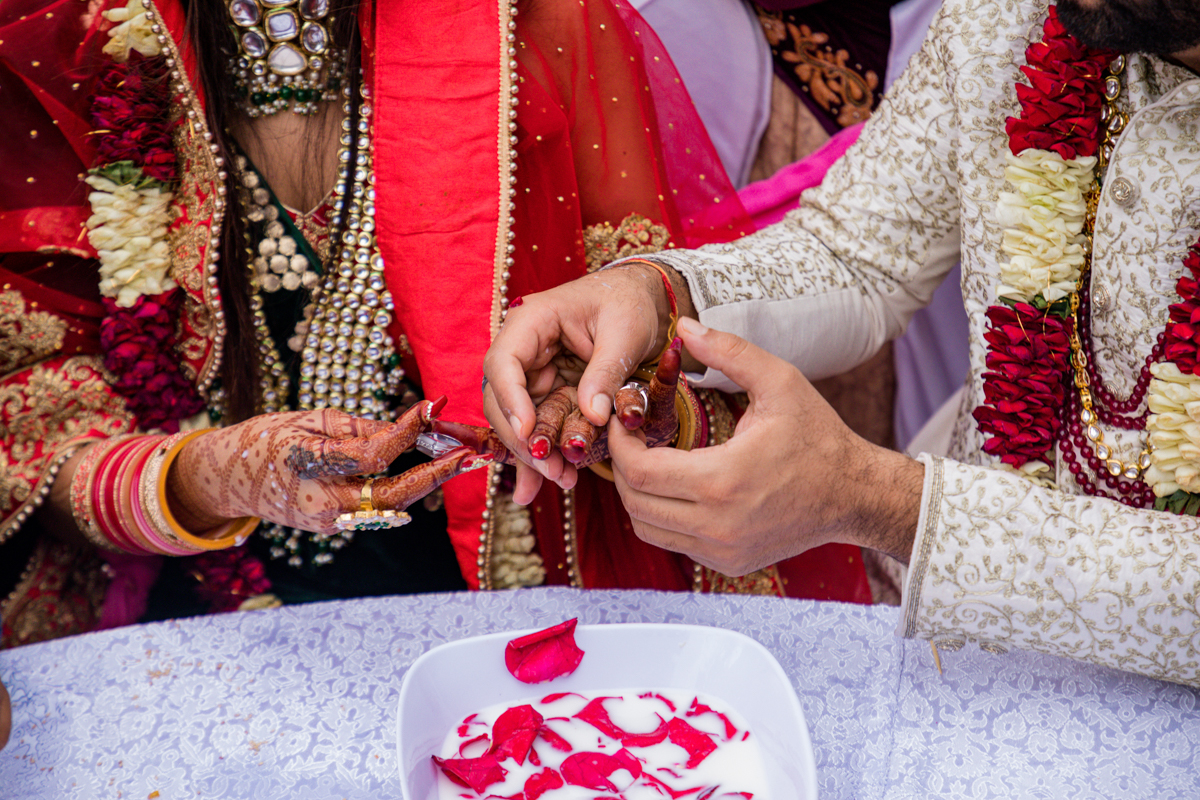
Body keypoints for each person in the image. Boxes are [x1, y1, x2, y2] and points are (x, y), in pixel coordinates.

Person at [0, 0, 872, 646]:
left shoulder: (538, 31)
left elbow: (678, 375)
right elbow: (29, 453)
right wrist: (210, 477)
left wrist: (606, 413)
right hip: (205, 630)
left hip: (515, 620)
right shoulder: (78, 54)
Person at [484, 0, 1200, 685]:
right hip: (942, 658)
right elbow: (858, 255)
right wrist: (658, 295)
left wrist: (877, 501)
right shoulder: (1008, 16)